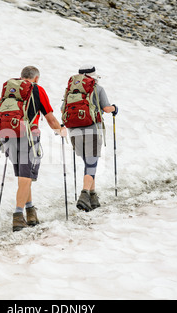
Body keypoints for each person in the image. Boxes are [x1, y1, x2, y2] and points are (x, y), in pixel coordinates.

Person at [0, 66, 66, 232]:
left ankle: (30, 211)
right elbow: (49, 117)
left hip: (7, 135)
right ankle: (18, 216)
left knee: (22, 175)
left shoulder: (10, 90)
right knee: (26, 176)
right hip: (28, 137)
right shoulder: (37, 90)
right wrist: (60, 131)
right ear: (36, 78)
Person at [62, 65, 118, 212]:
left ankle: (93, 197)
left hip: (74, 130)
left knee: (88, 163)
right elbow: (106, 108)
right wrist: (114, 108)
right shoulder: (97, 88)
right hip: (92, 129)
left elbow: (63, 109)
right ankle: (84, 194)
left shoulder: (70, 89)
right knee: (91, 164)